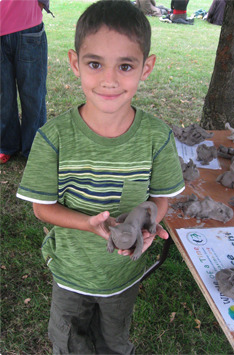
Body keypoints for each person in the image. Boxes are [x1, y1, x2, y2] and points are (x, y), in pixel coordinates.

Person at [17, 0, 185, 354]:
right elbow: (42, 209)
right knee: (69, 340)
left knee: (113, 340)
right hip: (71, 273)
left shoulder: (157, 137)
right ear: (75, 64)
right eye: (95, 64)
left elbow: (162, 198)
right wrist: (87, 224)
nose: (109, 80)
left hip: (123, 276)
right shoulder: (54, 137)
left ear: (146, 67)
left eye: (125, 65)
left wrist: (149, 221)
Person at [0, 0, 51, 164]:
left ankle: (34, 146)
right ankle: (7, 145)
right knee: (3, 96)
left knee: (33, 93)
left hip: (28, 27)